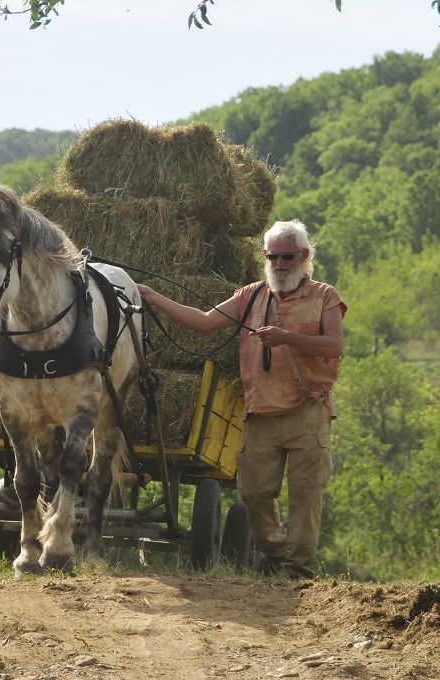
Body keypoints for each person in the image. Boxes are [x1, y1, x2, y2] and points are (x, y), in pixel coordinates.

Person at [137, 220, 346, 580]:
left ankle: (297, 571)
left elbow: (334, 346)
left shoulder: (325, 296)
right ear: (265, 257)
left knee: (306, 496)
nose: (280, 263)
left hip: (307, 412)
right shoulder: (250, 296)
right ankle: (277, 554)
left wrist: (286, 337)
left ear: (305, 256)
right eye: (273, 256)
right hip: (260, 414)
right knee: (253, 494)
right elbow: (204, 322)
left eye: (288, 256)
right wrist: (155, 298)